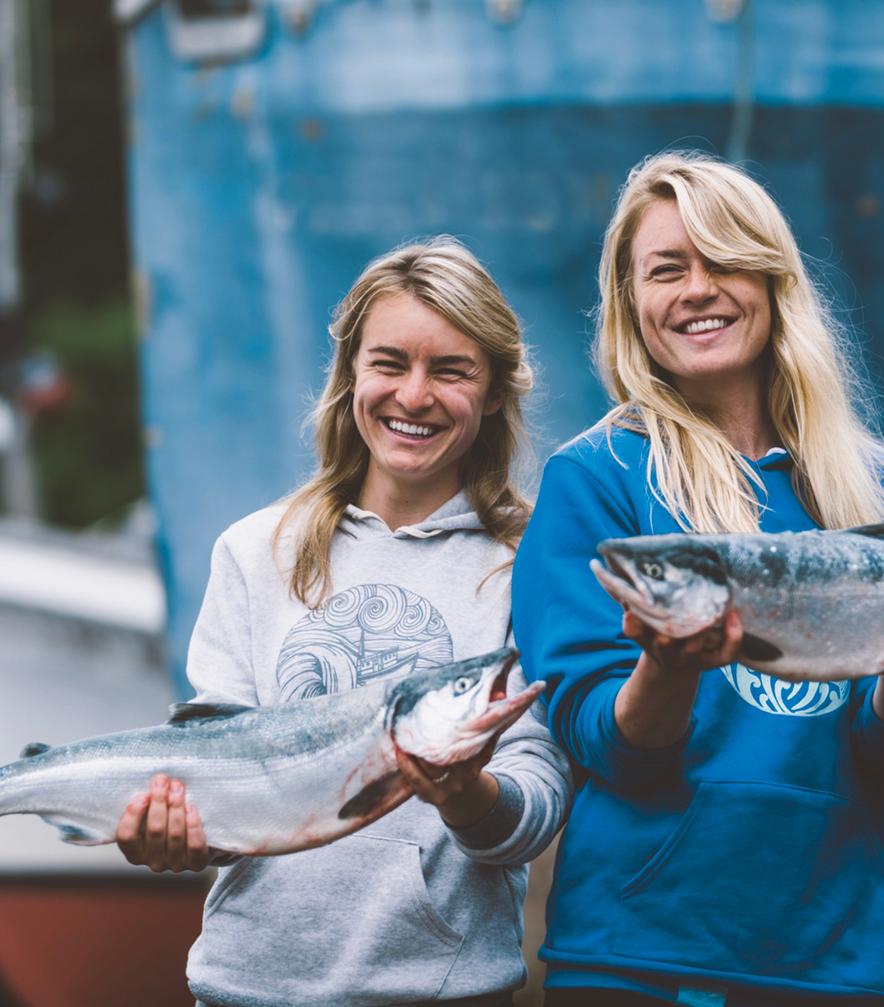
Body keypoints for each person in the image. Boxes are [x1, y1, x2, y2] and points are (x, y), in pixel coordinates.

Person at [512, 152, 884, 1006]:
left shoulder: (883, 489)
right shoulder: (596, 479)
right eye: (666, 269)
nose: (697, 288)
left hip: (838, 954)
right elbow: (599, 743)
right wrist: (668, 665)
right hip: (640, 954)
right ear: (632, 305)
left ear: (773, 282)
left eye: (723, 259)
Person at [116, 238, 572, 1007]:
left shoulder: (531, 563)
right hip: (244, 986)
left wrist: (465, 793)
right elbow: (220, 781)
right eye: (389, 362)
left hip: (442, 991)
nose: (414, 395)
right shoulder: (255, 550)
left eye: (451, 369)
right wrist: (174, 832)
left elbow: (536, 813)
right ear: (352, 374)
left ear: (494, 390)